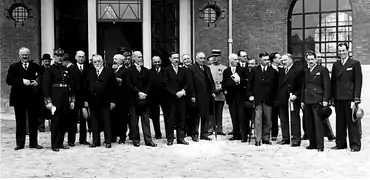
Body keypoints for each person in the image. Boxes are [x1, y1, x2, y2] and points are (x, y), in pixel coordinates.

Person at [6, 47, 43, 150]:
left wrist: (38, 82)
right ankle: (20, 143)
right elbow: (9, 80)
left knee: (33, 121)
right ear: (19, 55)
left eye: (26, 54)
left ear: (29, 54)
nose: (25, 56)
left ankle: (34, 143)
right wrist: (22, 81)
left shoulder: (35, 66)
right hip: (19, 99)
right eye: (23, 55)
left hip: (33, 98)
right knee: (20, 121)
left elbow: (43, 75)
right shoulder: (14, 67)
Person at [331, 43, 363, 152]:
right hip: (338, 97)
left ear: (348, 51)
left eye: (343, 50)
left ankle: (355, 145)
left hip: (350, 97)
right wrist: (332, 96)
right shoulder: (335, 65)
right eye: (339, 51)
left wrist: (357, 97)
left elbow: (358, 81)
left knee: (352, 122)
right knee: (339, 121)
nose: (341, 53)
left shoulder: (355, 63)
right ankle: (340, 144)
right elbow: (333, 82)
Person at [42, 48, 75, 152]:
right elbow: (46, 86)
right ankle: (54, 144)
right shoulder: (50, 70)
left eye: (61, 56)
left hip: (65, 98)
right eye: (57, 56)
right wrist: (48, 101)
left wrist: (72, 99)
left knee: (64, 121)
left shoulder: (65, 69)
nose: (60, 58)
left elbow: (70, 85)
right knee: (56, 121)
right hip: (56, 98)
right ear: (54, 57)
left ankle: (60, 142)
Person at [125, 51, 157, 147]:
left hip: (144, 99)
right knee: (134, 121)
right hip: (134, 99)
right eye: (138, 57)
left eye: (141, 57)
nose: (141, 58)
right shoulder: (129, 70)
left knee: (146, 120)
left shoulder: (146, 70)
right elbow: (129, 84)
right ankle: (136, 139)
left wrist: (144, 93)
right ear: (133, 58)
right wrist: (138, 92)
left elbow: (149, 83)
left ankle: (148, 140)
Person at [301, 51, 330, 152]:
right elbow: (303, 86)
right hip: (307, 99)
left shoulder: (322, 70)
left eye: (312, 59)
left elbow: (327, 85)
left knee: (318, 123)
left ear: (316, 59)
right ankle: (312, 143)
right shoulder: (306, 70)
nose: (310, 61)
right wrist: (302, 100)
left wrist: (326, 99)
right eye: (308, 60)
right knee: (309, 123)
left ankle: (320, 145)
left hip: (317, 99)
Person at [84, 54, 116, 148]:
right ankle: (96, 141)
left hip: (105, 101)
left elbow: (113, 88)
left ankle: (107, 141)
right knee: (94, 122)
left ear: (102, 62)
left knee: (106, 121)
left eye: (98, 61)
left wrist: (113, 101)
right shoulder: (90, 73)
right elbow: (86, 87)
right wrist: (86, 100)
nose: (97, 63)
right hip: (93, 102)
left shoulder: (109, 72)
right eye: (95, 62)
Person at [248, 52, 279, 146]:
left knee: (268, 119)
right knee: (258, 119)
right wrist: (250, 94)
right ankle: (258, 138)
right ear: (260, 59)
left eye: (267, 60)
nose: (266, 61)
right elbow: (250, 84)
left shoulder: (273, 71)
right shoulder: (254, 70)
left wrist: (274, 98)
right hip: (257, 98)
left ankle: (266, 137)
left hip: (268, 99)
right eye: (264, 60)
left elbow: (275, 86)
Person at [276, 53, 304, 147]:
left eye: (285, 60)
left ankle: (295, 139)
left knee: (294, 119)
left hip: (292, 98)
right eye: (282, 60)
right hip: (282, 98)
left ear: (291, 60)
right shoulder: (281, 71)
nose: (283, 62)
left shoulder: (298, 70)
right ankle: (286, 138)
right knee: (283, 119)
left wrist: (296, 95)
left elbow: (301, 85)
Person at [188, 52, 216, 141]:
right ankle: (194, 134)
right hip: (197, 95)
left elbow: (211, 81)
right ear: (196, 59)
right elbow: (190, 83)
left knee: (206, 115)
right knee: (196, 116)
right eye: (200, 58)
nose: (202, 60)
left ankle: (204, 133)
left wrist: (213, 91)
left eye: (204, 58)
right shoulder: (191, 69)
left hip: (207, 95)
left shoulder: (207, 69)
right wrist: (192, 95)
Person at [163, 52, 189, 145]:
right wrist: (175, 93)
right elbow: (165, 85)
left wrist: (183, 91)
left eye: (177, 58)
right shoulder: (166, 70)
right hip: (171, 99)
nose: (176, 60)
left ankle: (180, 138)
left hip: (181, 98)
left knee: (181, 118)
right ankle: (170, 139)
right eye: (174, 58)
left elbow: (187, 83)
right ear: (170, 59)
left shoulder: (183, 70)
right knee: (171, 119)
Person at [222, 53, 249, 142]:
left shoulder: (242, 70)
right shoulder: (226, 71)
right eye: (235, 60)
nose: (236, 61)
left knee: (242, 116)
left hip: (241, 96)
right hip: (231, 97)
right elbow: (225, 83)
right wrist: (232, 82)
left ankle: (243, 134)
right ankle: (236, 134)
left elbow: (247, 81)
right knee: (234, 116)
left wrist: (239, 81)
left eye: (237, 59)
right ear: (230, 61)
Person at [208, 49, 227, 136]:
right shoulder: (208, 68)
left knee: (219, 112)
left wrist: (221, 87)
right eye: (214, 57)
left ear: (220, 57)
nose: (215, 58)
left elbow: (226, 80)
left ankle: (219, 129)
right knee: (211, 112)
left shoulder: (224, 68)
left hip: (220, 92)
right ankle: (211, 128)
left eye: (217, 57)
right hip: (211, 93)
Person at [148, 56, 168, 139]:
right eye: (155, 62)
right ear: (152, 63)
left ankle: (168, 133)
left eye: (158, 62)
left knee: (167, 115)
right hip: (153, 97)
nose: (157, 64)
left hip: (164, 96)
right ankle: (158, 133)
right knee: (155, 116)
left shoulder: (166, 71)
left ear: (161, 62)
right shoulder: (149, 72)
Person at [111, 54, 129, 144]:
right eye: (114, 59)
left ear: (121, 61)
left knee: (122, 118)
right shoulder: (112, 70)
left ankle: (122, 137)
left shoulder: (125, 71)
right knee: (113, 118)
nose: (114, 60)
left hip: (122, 99)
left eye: (116, 59)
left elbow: (127, 84)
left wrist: (119, 81)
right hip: (113, 98)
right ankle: (113, 136)